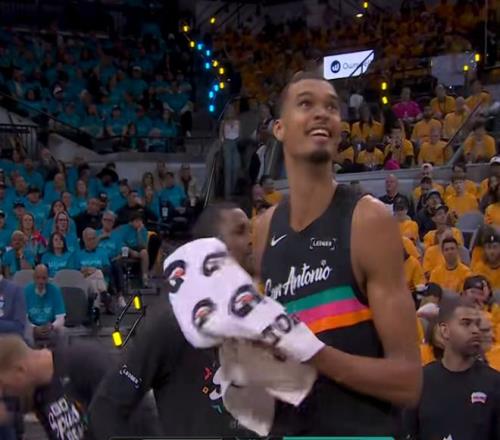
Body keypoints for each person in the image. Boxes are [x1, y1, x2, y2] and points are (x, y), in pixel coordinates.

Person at [253, 71, 421, 436]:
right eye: (306, 104)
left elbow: (408, 381)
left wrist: (314, 354)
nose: (322, 113)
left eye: (331, 107)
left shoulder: (368, 220)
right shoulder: (264, 228)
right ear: (279, 128)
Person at [89, 202, 254, 438]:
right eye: (240, 231)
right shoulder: (169, 322)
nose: (251, 240)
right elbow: (105, 409)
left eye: (252, 231)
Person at [0, 334, 155, 440]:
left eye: (4, 387)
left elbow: (132, 414)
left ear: (20, 370)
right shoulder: (37, 392)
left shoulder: (84, 361)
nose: (5, 393)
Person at [408, 296, 500, 439]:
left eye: (477, 324)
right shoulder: (421, 381)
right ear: (445, 330)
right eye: (466, 323)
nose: (475, 330)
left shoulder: (494, 383)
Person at [24, 265, 65, 343]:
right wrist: (34, 328)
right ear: (33, 277)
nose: (41, 281)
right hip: (32, 328)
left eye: (44, 278)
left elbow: (61, 318)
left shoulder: (55, 290)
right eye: (38, 278)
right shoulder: (26, 291)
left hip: (50, 327)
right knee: (23, 332)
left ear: (48, 278)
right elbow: (23, 318)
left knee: (63, 331)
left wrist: (52, 326)